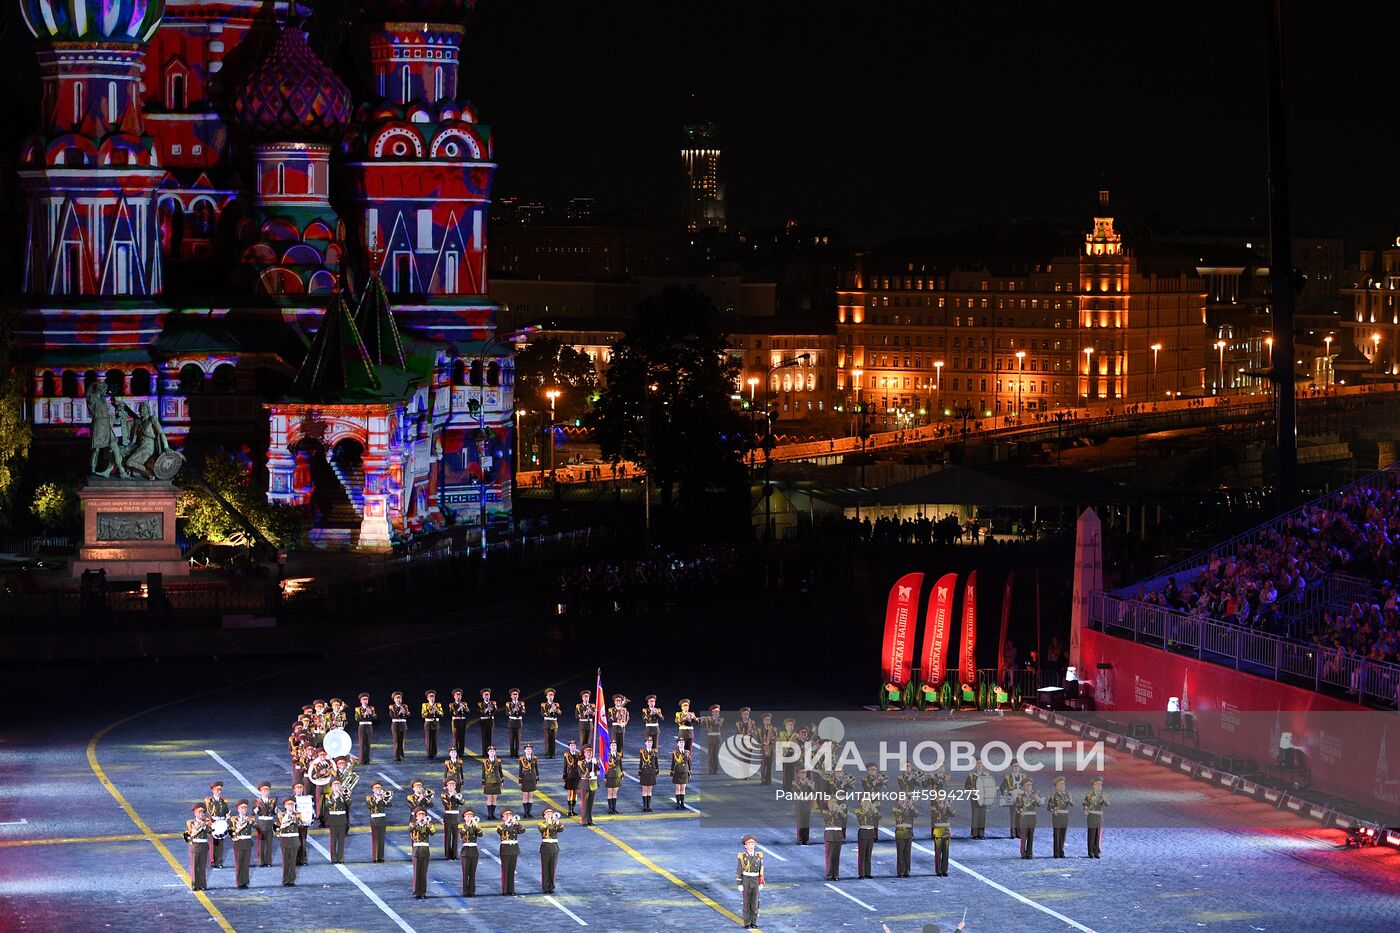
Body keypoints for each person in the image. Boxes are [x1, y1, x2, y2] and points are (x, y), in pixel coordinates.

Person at [736, 834, 765, 929]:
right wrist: (739, 883)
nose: (751, 846)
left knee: (754, 903)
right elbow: (739, 870)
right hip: (746, 881)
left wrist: (761, 882)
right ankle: (747, 922)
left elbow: (761, 869)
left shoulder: (759, 856)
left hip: (755, 881)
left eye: (753, 844)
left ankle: (754, 922)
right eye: (749, 844)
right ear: (745, 846)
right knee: (746, 903)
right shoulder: (742, 857)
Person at [275, 798, 305, 886]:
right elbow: (277, 827)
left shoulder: (297, 815)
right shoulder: (281, 816)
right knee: (285, 862)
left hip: (294, 841)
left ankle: (291, 880)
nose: (290, 807)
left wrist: (295, 819)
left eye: (292, 805)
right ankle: (285, 880)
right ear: (285, 806)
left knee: (292, 862)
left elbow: (301, 825)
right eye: (288, 805)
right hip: (285, 840)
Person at [185, 804, 213, 891]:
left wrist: (204, 826)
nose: (201, 814)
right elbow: (187, 835)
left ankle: (202, 884)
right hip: (195, 845)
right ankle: (195, 884)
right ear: (195, 813)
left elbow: (211, 831)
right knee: (194, 865)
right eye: (199, 813)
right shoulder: (191, 823)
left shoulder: (206, 822)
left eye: (202, 813)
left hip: (204, 845)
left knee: (202, 866)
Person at [1014, 778, 1044, 859]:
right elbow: (1017, 806)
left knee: (1031, 835)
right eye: (1027, 785)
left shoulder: (1034, 795)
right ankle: (1023, 853)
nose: (1029, 787)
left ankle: (1029, 853)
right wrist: (1021, 811)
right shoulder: (1020, 796)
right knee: (1024, 835)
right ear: (1023, 787)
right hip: (1024, 817)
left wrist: (1037, 798)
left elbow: (1040, 804)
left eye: (1030, 785)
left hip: (1032, 817)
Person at [497, 809, 524, 895]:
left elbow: (522, 830)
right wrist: (507, 823)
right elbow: (500, 831)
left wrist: (516, 823)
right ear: (503, 818)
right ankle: (505, 890)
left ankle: (511, 890)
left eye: (510, 816)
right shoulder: (501, 826)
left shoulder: (515, 826)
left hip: (514, 850)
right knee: (505, 870)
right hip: (505, 850)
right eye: (507, 816)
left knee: (512, 870)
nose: (509, 817)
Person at [410, 808, 435, 898]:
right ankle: (416, 892)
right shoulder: (413, 824)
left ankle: (423, 892)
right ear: (416, 816)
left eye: (423, 815)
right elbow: (410, 829)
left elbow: (433, 832)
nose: (421, 816)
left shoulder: (428, 825)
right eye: (420, 815)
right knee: (417, 872)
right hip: (417, 849)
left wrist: (427, 824)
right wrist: (418, 823)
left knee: (424, 872)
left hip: (425, 849)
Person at [965, 761, 994, 839]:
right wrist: (971, 789)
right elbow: (966, 786)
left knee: (982, 816)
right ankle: (974, 834)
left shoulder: (987, 775)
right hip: (975, 797)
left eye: (981, 764)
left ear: (983, 765)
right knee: (975, 815)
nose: (979, 765)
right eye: (977, 764)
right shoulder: (971, 775)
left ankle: (981, 834)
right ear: (975, 765)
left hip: (984, 797)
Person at [325, 778, 351, 864]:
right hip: (333, 820)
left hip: (342, 820)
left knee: (341, 840)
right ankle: (334, 858)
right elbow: (327, 805)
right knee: (333, 840)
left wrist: (343, 796)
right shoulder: (328, 796)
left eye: (338, 785)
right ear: (331, 787)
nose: (337, 787)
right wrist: (335, 798)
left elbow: (349, 803)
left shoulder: (344, 795)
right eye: (335, 785)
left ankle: (340, 858)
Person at [203, 782, 229, 869]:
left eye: (220, 790)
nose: (218, 792)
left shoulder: (223, 802)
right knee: (213, 843)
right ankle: (213, 861)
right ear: (213, 791)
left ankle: (220, 861)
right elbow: (206, 812)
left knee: (220, 843)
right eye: (217, 790)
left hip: (221, 822)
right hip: (213, 822)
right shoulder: (209, 801)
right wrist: (209, 821)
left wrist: (227, 817)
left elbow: (226, 811)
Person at [230, 801, 256, 888]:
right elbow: (230, 831)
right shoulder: (234, 819)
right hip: (239, 842)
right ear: (238, 809)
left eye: (245, 808)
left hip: (247, 842)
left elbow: (257, 826)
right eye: (241, 808)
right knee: (239, 863)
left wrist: (250, 821)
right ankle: (239, 882)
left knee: (246, 863)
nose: (243, 810)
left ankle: (245, 882)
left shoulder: (250, 818)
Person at [538, 808, 564, 893]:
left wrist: (557, 821)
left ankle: (551, 886)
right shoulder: (541, 823)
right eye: (547, 813)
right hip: (545, 848)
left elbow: (561, 829)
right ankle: (545, 887)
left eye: (551, 813)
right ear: (544, 815)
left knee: (552, 868)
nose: (550, 815)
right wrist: (549, 821)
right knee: (545, 868)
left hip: (554, 847)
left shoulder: (555, 823)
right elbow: (542, 829)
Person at [854, 796, 880, 879]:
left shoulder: (872, 810)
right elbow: (860, 819)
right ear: (861, 803)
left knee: (868, 854)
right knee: (862, 854)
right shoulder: (858, 810)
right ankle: (861, 873)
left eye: (868, 801)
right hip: (863, 832)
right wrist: (866, 809)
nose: (866, 803)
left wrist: (873, 808)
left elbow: (879, 817)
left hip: (871, 832)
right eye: (864, 801)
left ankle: (868, 872)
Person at [1083, 777, 1109, 859]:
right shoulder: (1089, 794)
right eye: (1098, 784)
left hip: (1099, 816)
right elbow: (1085, 804)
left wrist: (1105, 800)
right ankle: (1090, 851)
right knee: (1091, 834)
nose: (1099, 786)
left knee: (1098, 834)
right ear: (1093, 785)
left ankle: (1096, 851)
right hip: (1091, 815)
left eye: (1100, 784)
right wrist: (1086, 810)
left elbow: (1107, 804)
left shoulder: (1103, 795)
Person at [822, 797, 847, 880]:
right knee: (829, 856)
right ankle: (829, 875)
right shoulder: (825, 811)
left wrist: (841, 812)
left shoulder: (840, 811)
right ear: (828, 804)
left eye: (835, 802)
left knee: (836, 856)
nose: (833, 804)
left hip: (838, 835)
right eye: (831, 802)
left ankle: (836, 875)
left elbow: (845, 820)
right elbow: (828, 819)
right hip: (829, 835)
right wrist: (836, 811)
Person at [366, 781, 392, 863]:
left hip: (382, 819)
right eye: (376, 788)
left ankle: (381, 857)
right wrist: (377, 800)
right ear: (373, 790)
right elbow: (369, 806)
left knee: (381, 839)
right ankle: (375, 858)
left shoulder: (383, 797)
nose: (378, 790)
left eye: (379, 788)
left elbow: (389, 805)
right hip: (374, 819)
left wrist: (384, 799)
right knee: (375, 839)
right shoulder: (369, 798)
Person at [253, 782, 277, 868]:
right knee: (261, 843)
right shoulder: (257, 802)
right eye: (263, 791)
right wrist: (256, 810)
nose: (265, 792)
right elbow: (253, 812)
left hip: (269, 822)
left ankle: (268, 861)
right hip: (261, 823)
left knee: (269, 843)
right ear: (261, 792)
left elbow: (274, 812)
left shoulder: (272, 801)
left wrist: (275, 809)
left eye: (267, 791)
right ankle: (261, 861)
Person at [1047, 777, 1072, 859]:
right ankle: (1056, 852)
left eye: (1063, 784)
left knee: (1063, 834)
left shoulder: (1067, 795)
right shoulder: (1053, 795)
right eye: (1061, 784)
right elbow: (1049, 807)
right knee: (1057, 834)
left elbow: (1072, 804)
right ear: (1056, 786)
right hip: (1057, 816)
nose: (1063, 786)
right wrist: (1054, 809)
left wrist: (1071, 800)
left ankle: (1061, 850)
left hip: (1065, 816)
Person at [892, 795, 917, 877]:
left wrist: (911, 806)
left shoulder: (909, 808)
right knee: (900, 853)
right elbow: (902, 814)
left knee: (907, 853)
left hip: (908, 832)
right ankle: (900, 871)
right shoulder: (895, 808)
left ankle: (907, 871)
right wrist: (905, 806)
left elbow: (916, 814)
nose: (903, 800)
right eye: (901, 799)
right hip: (900, 832)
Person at [460, 809, 483, 895]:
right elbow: (462, 834)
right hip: (465, 851)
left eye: (471, 816)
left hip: (474, 850)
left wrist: (476, 825)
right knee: (465, 873)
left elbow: (480, 834)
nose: (470, 818)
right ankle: (465, 891)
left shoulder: (475, 827)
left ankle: (472, 891)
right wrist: (468, 824)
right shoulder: (463, 826)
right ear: (465, 818)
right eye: (468, 816)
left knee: (472, 873)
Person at [930, 796, 955, 876]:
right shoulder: (934, 808)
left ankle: (944, 870)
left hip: (946, 831)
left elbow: (953, 814)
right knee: (938, 852)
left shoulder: (946, 807)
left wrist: (948, 806)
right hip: (938, 832)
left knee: (946, 852)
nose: (942, 800)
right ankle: (938, 870)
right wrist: (943, 806)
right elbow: (938, 815)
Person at [440, 779, 464, 860]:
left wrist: (458, 797)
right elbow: (446, 803)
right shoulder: (444, 795)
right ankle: (447, 854)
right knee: (447, 837)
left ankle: (454, 854)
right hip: (448, 817)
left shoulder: (458, 795)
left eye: (453, 785)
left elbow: (462, 802)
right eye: (450, 785)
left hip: (455, 817)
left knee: (455, 837)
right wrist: (452, 796)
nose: (452, 787)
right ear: (446, 787)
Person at [1000, 763, 1025, 838]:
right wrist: (1005, 794)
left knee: (1020, 815)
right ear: (1012, 767)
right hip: (1012, 797)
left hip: (1021, 798)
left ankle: (1019, 833)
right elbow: (1002, 787)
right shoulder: (1008, 777)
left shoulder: (1023, 776)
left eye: (1018, 766)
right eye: (1014, 766)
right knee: (1013, 816)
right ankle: (1013, 833)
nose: (1016, 768)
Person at [579, 744, 600, 825]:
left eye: (590, 753)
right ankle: (583, 820)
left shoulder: (594, 762)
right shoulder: (581, 763)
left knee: (590, 804)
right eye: (587, 752)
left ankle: (589, 820)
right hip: (585, 784)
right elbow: (581, 773)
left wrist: (596, 763)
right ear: (584, 753)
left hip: (593, 784)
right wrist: (591, 764)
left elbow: (600, 769)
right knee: (584, 803)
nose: (589, 754)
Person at [290, 782, 310, 865]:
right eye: (297, 788)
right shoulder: (290, 800)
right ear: (294, 790)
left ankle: (303, 859)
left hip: (303, 823)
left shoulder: (307, 799)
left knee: (303, 841)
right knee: (294, 842)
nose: (299, 790)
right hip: (294, 824)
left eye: (301, 788)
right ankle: (294, 860)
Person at [354, 693, 377, 764]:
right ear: (361, 701)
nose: (365, 701)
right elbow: (357, 719)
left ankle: (367, 759)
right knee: (362, 743)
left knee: (368, 743)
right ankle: (361, 760)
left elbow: (375, 718)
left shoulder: (371, 708)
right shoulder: (358, 709)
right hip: (362, 726)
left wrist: (371, 714)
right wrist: (364, 715)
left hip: (369, 726)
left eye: (366, 699)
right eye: (363, 700)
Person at [482, 747, 504, 821]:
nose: (492, 752)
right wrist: (483, 782)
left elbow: (500, 771)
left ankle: (493, 814)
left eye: (493, 751)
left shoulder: (498, 761)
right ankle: (489, 814)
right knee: (489, 798)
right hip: (488, 781)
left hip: (496, 781)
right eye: (490, 751)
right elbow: (483, 773)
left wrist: (502, 780)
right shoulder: (485, 761)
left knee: (494, 799)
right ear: (488, 752)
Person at [637, 737, 659, 811]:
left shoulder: (654, 752)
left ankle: (648, 806)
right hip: (644, 771)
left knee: (650, 790)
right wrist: (640, 771)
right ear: (645, 743)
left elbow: (656, 762)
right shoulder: (642, 752)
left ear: (652, 743)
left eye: (650, 742)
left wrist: (657, 770)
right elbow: (641, 762)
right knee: (644, 790)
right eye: (648, 742)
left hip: (652, 771)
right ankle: (644, 806)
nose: (649, 744)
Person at [519, 743, 540, 818]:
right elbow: (520, 770)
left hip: (532, 778)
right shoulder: (522, 759)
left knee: (531, 796)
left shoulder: (534, 758)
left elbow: (536, 768)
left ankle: (529, 812)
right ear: (525, 750)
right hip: (525, 779)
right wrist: (520, 780)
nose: (529, 750)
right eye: (527, 749)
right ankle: (525, 812)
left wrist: (537, 777)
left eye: (530, 749)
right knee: (525, 796)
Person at [388, 691, 410, 762]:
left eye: (400, 698)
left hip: (403, 724)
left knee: (401, 740)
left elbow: (408, 715)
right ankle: (396, 756)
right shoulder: (392, 707)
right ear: (394, 699)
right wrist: (400, 712)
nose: (399, 699)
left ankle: (401, 755)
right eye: (397, 698)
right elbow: (392, 716)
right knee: (396, 740)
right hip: (396, 725)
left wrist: (405, 712)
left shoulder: (405, 706)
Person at [670, 737, 692, 810]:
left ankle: (682, 803)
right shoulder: (675, 752)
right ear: (677, 744)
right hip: (677, 771)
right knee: (677, 788)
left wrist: (690, 771)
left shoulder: (687, 752)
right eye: (680, 742)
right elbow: (673, 763)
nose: (682, 744)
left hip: (685, 771)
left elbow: (689, 763)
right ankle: (677, 804)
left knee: (683, 788)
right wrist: (672, 771)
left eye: (683, 742)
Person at [793, 768, 813, 844]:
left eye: (804, 773)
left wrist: (810, 785)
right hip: (800, 805)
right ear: (798, 774)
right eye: (801, 773)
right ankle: (800, 839)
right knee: (800, 822)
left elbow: (813, 791)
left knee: (806, 822)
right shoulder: (795, 783)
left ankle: (806, 839)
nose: (803, 774)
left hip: (807, 805)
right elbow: (796, 792)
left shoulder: (809, 782)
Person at [562, 740, 583, 816]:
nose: (573, 747)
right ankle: (569, 810)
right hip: (570, 775)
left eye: (574, 745)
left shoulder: (578, 754)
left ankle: (573, 809)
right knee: (570, 792)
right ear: (569, 747)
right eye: (571, 746)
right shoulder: (567, 755)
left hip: (577, 775)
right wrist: (564, 775)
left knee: (575, 793)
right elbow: (565, 766)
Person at [757, 713, 778, 785]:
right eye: (766, 720)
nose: (767, 721)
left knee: (769, 765)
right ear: (763, 721)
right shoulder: (760, 730)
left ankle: (769, 779)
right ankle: (763, 779)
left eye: (768, 720)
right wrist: (763, 743)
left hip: (771, 748)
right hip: (763, 749)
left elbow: (776, 739)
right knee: (763, 764)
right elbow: (758, 740)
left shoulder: (774, 729)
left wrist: (773, 739)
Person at [422, 690, 443, 760]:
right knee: (428, 738)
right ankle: (429, 754)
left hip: (436, 723)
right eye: (430, 697)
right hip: (428, 723)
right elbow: (423, 715)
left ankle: (434, 754)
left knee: (434, 738)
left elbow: (442, 714)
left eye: (433, 697)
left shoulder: (438, 705)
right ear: (427, 698)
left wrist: (436, 710)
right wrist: (431, 712)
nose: (432, 698)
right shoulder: (425, 705)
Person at [449, 688, 470, 758]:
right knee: (456, 738)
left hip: (463, 721)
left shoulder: (464, 703)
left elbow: (468, 711)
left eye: (460, 695)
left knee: (462, 737)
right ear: (454, 697)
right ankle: (455, 752)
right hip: (455, 722)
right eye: (457, 695)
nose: (458, 697)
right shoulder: (452, 705)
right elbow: (452, 713)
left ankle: (461, 753)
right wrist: (459, 708)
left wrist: (464, 707)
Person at [541, 689, 562, 758]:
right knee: (547, 739)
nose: (551, 697)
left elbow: (560, 713)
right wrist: (550, 710)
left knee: (553, 739)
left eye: (552, 695)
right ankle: (547, 753)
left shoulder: (556, 704)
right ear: (547, 697)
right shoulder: (544, 704)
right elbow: (543, 713)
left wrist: (556, 710)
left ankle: (553, 753)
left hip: (554, 723)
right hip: (547, 723)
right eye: (549, 695)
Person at [704, 704, 724, 775]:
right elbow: (705, 725)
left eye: (717, 712)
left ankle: (716, 770)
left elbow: (716, 724)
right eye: (715, 712)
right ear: (712, 712)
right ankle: (710, 770)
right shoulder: (708, 719)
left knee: (716, 755)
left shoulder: (720, 719)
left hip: (717, 739)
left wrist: (710, 719)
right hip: (710, 738)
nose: (716, 713)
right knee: (710, 755)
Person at [506, 689, 526, 757]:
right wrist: (513, 711)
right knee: (511, 738)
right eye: (513, 694)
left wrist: (519, 710)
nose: (515, 696)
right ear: (511, 696)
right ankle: (512, 753)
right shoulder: (508, 704)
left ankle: (516, 753)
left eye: (516, 694)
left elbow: (524, 712)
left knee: (518, 739)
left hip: (518, 722)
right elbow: (507, 713)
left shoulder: (521, 703)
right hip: (512, 722)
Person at [478, 688, 498, 756]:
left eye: (488, 695)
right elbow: (480, 712)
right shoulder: (480, 704)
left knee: (490, 737)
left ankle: (489, 752)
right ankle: (484, 753)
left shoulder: (492, 703)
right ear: (483, 696)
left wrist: (493, 708)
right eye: (485, 695)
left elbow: (496, 711)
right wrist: (487, 709)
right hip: (483, 722)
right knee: (484, 737)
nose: (487, 696)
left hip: (490, 721)